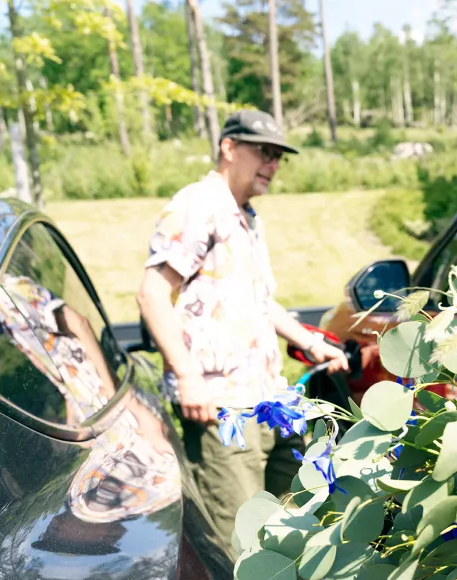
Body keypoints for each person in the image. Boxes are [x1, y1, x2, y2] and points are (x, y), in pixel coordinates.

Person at [137, 109, 349, 548]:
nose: (272, 165)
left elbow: (258, 301)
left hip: (266, 399)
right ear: (229, 148)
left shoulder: (246, 216)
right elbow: (152, 294)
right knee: (238, 543)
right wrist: (189, 377)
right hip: (220, 407)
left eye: (278, 157)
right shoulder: (198, 206)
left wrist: (310, 341)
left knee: (283, 521)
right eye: (264, 153)